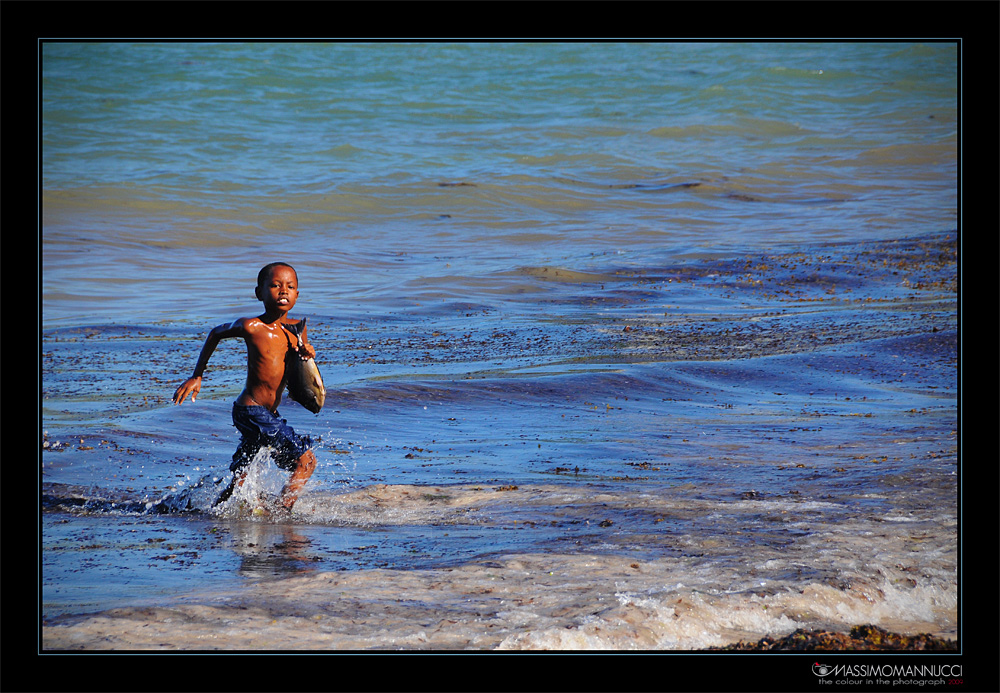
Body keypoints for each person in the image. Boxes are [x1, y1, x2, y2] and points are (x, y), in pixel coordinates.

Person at [172, 262, 318, 511]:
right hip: (251, 410)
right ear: (259, 293)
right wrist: (197, 376)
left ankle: (212, 511)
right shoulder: (252, 326)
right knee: (306, 460)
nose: (283, 291)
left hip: (266, 413)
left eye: (290, 287)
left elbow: (300, 374)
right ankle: (282, 510)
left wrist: (308, 354)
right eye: (275, 285)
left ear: (297, 294)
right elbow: (215, 333)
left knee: (243, 472)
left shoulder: (298, 330)